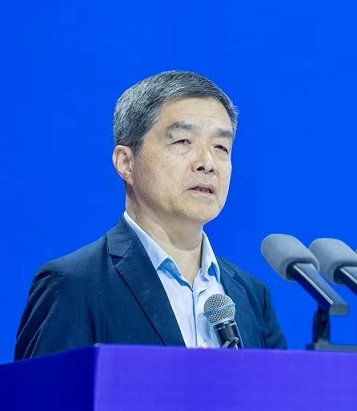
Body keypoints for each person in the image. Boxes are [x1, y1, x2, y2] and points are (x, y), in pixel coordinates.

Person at [15, 70, 286, 359]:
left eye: (221, 147)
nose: (207, 163)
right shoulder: (74, 285)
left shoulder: (251, 295)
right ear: (126, 163)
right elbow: (45, 391)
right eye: (182, 141)